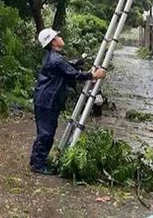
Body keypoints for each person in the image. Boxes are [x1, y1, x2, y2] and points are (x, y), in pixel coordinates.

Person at [29, 27, 106, 175]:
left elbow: (68, 69)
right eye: (57, 36)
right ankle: (38, 164)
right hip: (47, 100)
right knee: (46, 133)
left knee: (46, 132)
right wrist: (93, 75)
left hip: (46, 99)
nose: (60, 36)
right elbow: (73, 74)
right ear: (53, 42)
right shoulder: (56, 59)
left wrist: (86, 72)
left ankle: (37, 160)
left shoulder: (53, 57)